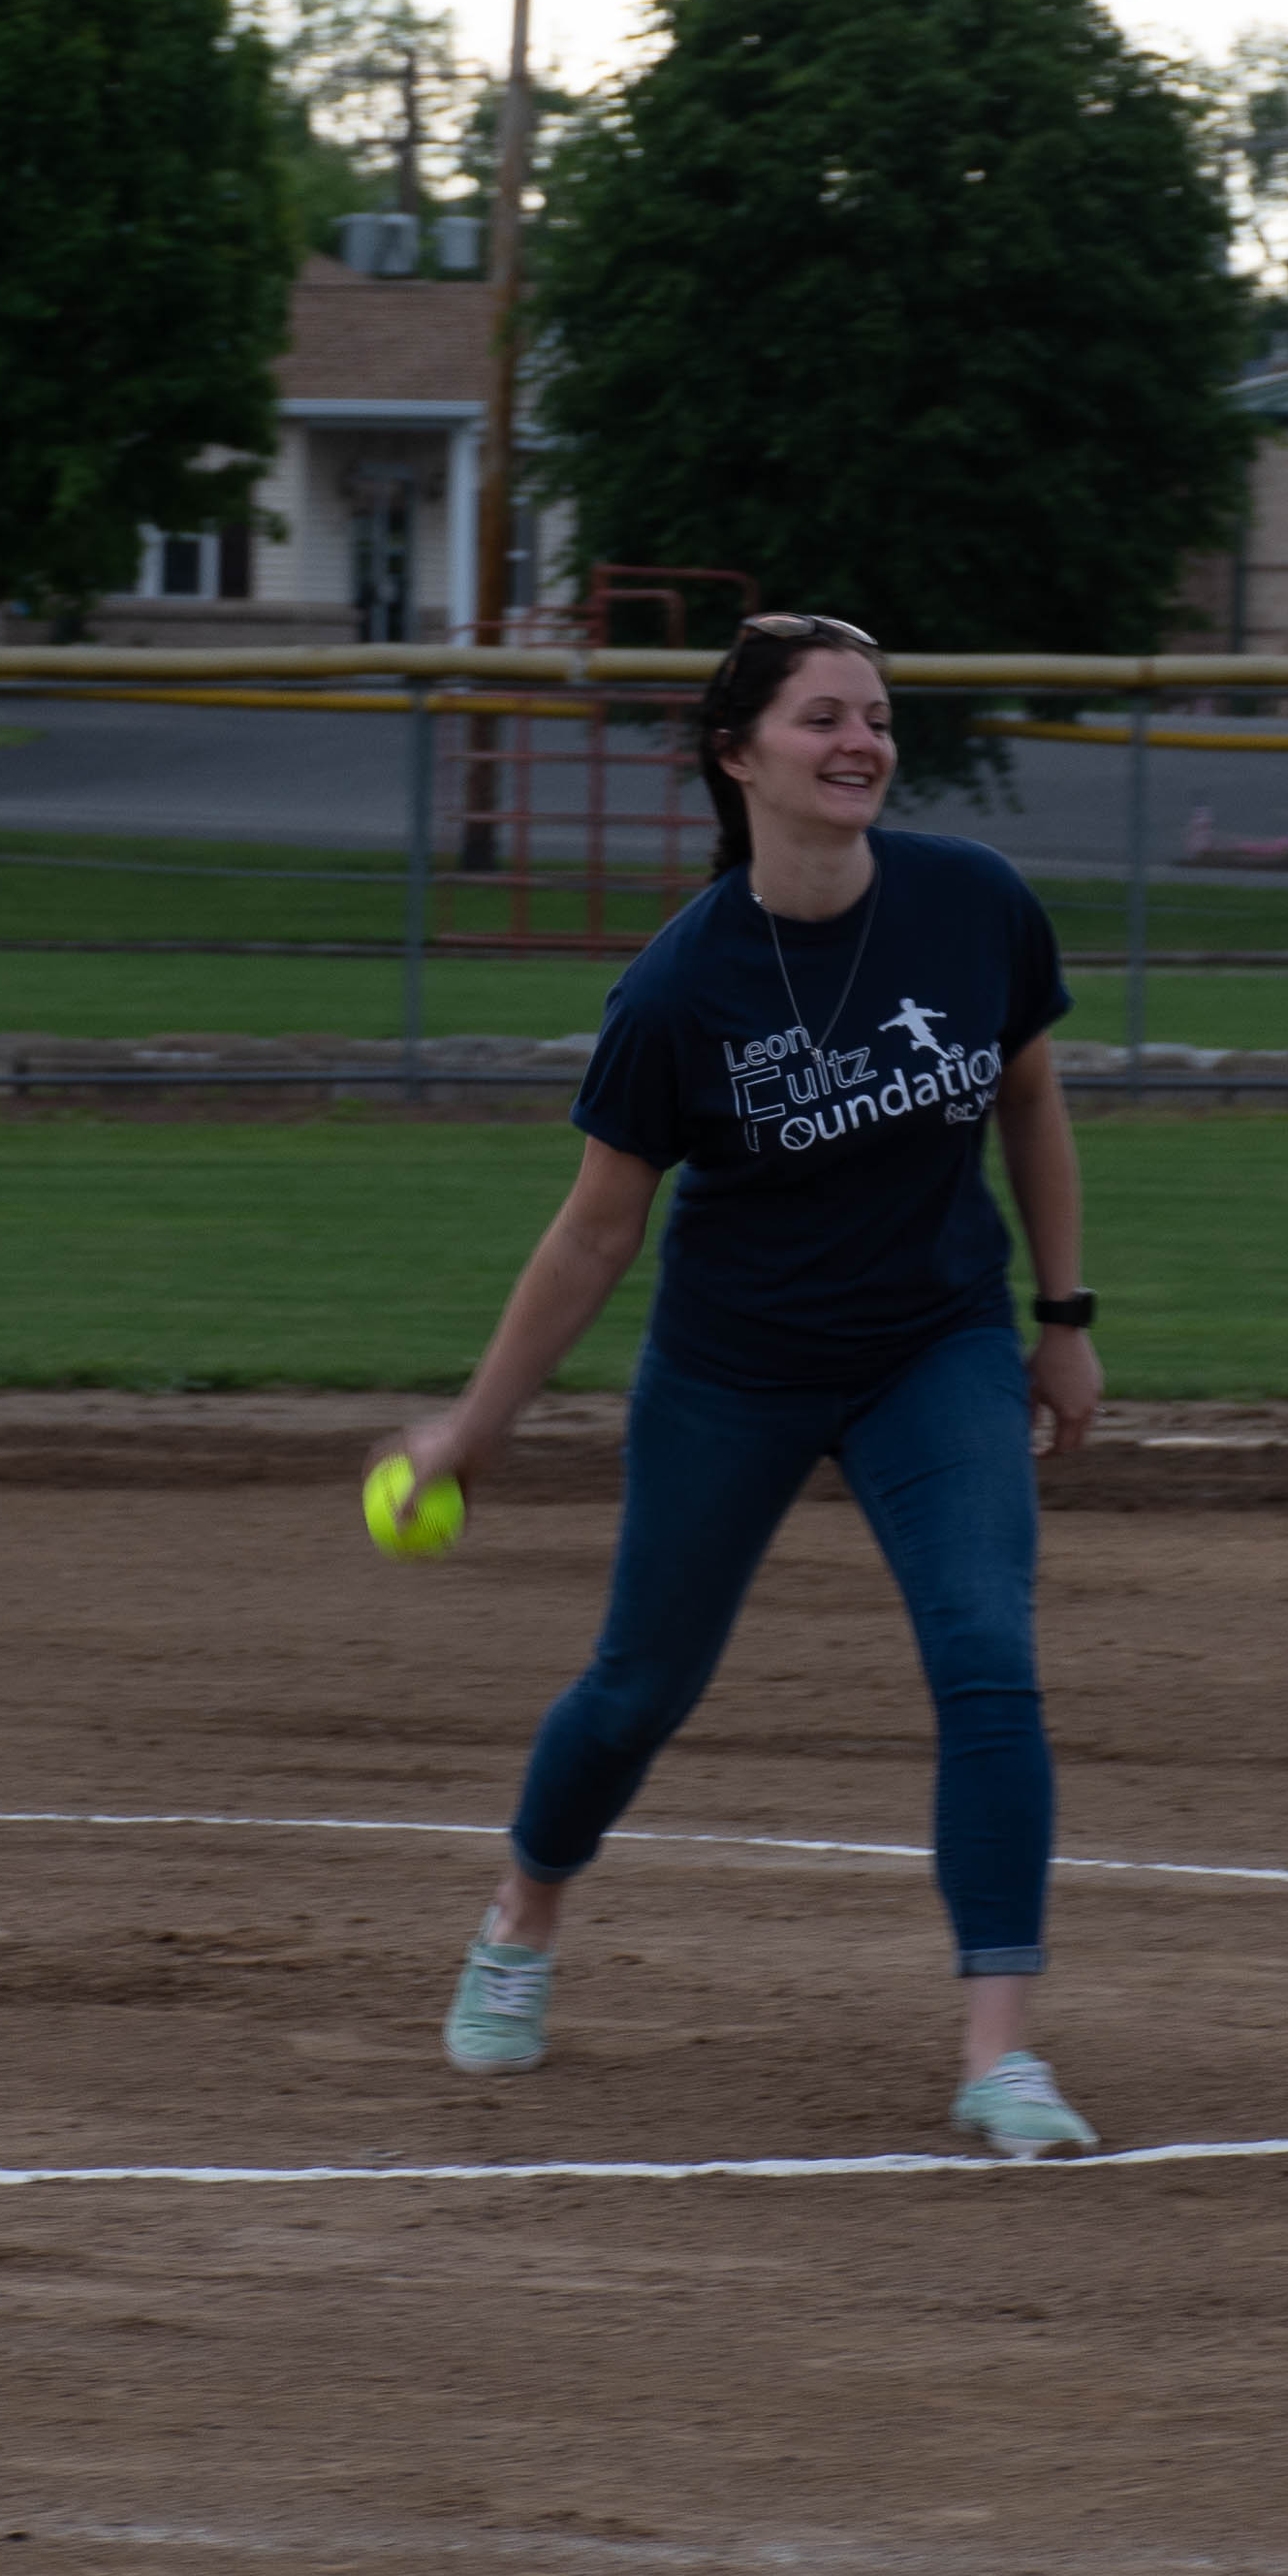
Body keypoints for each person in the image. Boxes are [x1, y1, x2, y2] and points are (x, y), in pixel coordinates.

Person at [378, 615, 1109, 2159]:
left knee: (987, 1655)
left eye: (879, 718)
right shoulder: (680, 985)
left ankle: (1002, 2054)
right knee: (643, 1683)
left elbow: (1031, 1102)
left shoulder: (972, 905)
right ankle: (521, 1922)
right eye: (823, 718)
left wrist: (1063, 1315)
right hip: (736, 1365)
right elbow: (595, 1233)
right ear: (739, 754)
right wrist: (477, 1427)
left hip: (937, 1345)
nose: (861, 743)